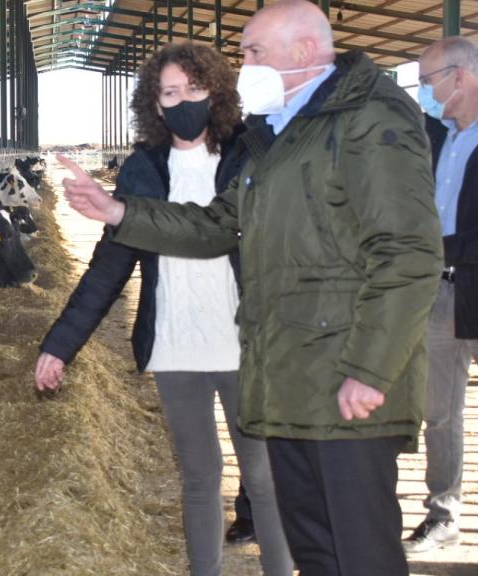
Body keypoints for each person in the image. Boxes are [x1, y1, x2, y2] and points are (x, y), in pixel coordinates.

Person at [55, 1, 443, 574]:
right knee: (317, 547)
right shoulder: (279, 139)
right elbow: (216, 225)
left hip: (343, 375)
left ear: (304, 52)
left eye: (255, 52)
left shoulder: (368, 117)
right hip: (289, 373)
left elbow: (408, 251)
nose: (246, 65)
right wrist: (117, 211)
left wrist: (371, 366)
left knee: (359, 549)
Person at [35, 43, 292, 576]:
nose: (184, 102)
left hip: (247, 343)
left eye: (194, 89)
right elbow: (109, 267)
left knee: (264, 476)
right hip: (175, 344)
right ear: (154, 105)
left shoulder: (250, 157)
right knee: (199, 476)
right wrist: (60, 346)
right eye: (170, 92)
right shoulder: (142, 170)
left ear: (217, 92)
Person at [402, 36, 478, 555]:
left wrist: (437, 247)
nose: (423, 91)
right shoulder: (434, 138)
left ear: (460, 77)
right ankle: (444, 513)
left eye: (427, 79)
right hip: (437, 294)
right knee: (439, 413)